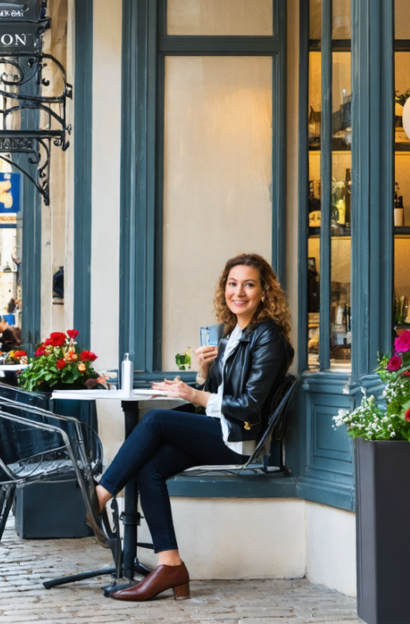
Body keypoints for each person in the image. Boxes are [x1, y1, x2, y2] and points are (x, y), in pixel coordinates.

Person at [89, 253, 293, 602]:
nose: (238, 292)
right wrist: (202, 373)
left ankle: (98, 497)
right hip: (222, 428)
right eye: (232, 284)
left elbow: (249, 406)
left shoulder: (268, 337)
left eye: (249, 284)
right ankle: (171, 566)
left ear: (264, 292)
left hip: (241, 437)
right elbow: (219, 392)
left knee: (153, 419)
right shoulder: (232, 335)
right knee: (148, 468)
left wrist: (193, 393)